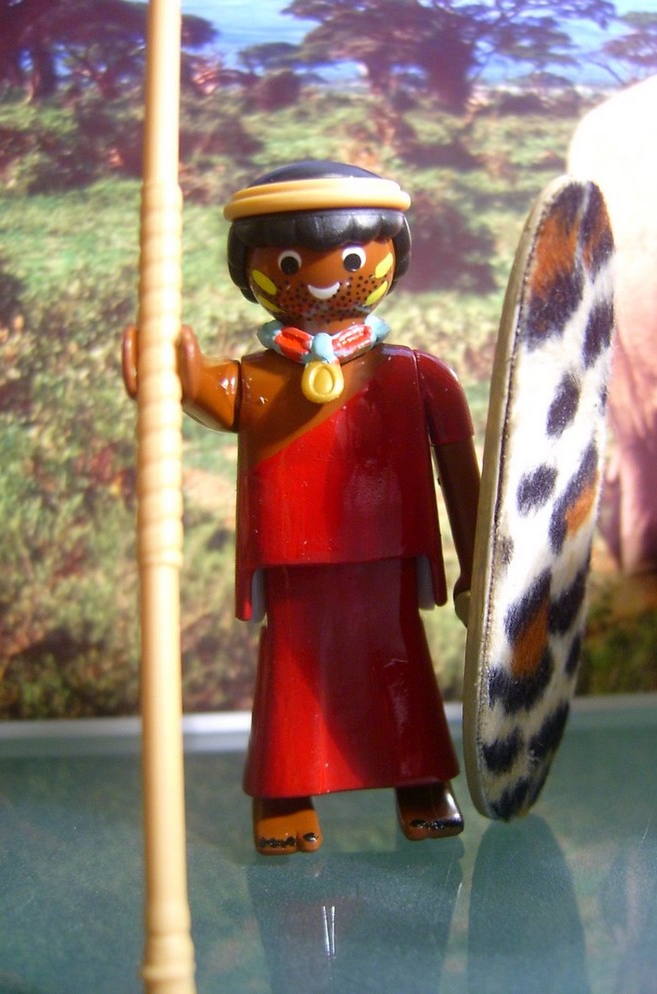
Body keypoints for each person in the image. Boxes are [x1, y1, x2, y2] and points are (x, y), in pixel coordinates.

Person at [125, 160, 480, 854]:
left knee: (398, 662)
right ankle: (287, 790)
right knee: (292, 671)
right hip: (294, 557)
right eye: (288, 263)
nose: (319, 280)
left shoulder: (418, 375)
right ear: (250, 269)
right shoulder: (258, 377)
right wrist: (178, 376)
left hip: (385, 554)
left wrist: (477, 569)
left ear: (391, 255)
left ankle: (418, 778)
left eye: (351, 259)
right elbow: (213, 393)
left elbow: (462, 482)